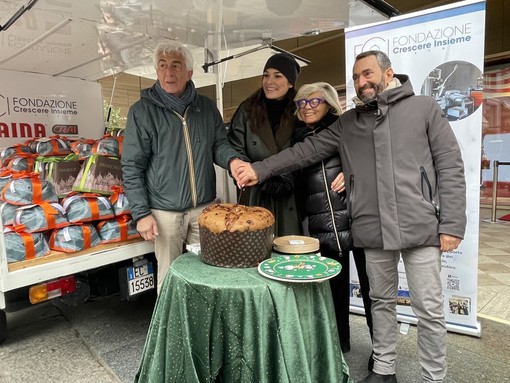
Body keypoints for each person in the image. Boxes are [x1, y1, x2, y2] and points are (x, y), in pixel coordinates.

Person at [234, 50, 467, 383]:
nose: (362, 81)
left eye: (368, 73)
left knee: (428, 309)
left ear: (389, 74)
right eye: (357, 77)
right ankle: (384, 371)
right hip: (372, 227)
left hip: (421, 226)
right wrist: (258, 169)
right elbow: (302, 153)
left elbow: (450, 166)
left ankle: (433, 378)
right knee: (381, 302)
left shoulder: (424, 109)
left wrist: (453, 223)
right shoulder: (350, 123)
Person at [121, 41, 246, 293]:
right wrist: (142, 214)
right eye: (162, 66)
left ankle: (205, 326)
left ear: (189, 72)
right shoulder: (142, 112)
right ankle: (172, 331)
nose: (169, 73)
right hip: (165, 212)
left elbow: (219, 145)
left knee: (207, 273)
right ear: (156, 71)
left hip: (204, 210)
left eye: (176, 66)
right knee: (171, 279)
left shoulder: (207, 107)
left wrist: (233, 160)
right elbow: (132, 166)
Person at [291, 82, 373, 357]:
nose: (308, 107)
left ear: (329, 103)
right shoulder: (297, 140)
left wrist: (354, 174)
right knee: (333, 290)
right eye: (302, 103)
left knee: (372, 289)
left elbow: (372, 158)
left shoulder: (346, 127)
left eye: (314, 101)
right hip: (322, 226)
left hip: (357, 219)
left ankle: (382, 352)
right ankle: (339, 346)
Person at [228, 53, 302, 236]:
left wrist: (288, 178)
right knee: (254, 248)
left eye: (278, 76)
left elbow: (308, 147)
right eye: (266, 75)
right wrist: (245, 170)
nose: (270, 81)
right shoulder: (247, 110)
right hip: (255, 194)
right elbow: (234, 146)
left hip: (290, 198)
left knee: (288, 253)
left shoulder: (301, 110)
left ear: (291, 82)